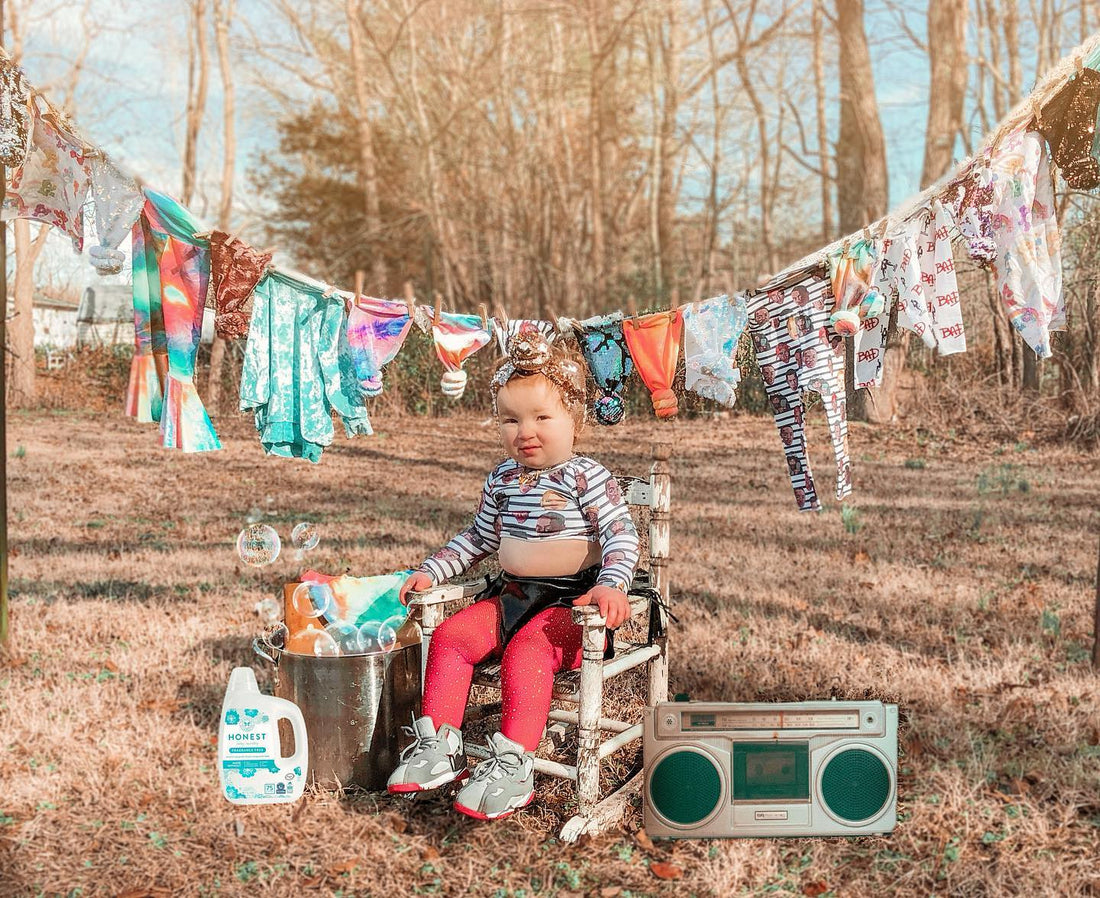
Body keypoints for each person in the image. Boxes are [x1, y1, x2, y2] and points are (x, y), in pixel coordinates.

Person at [387, 330, 640, 821]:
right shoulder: (501, 479)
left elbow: (620, 536)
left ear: (575, 421)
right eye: (510, 419)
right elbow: (478, 538)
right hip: (514, 597)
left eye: (543, 417)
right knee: (453, 636)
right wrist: (431, 570)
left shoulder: (586, 476)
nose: (526, 430)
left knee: (527, 651)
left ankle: (513, 765)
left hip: (575, 604)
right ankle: (442, 746)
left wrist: (612, 585)